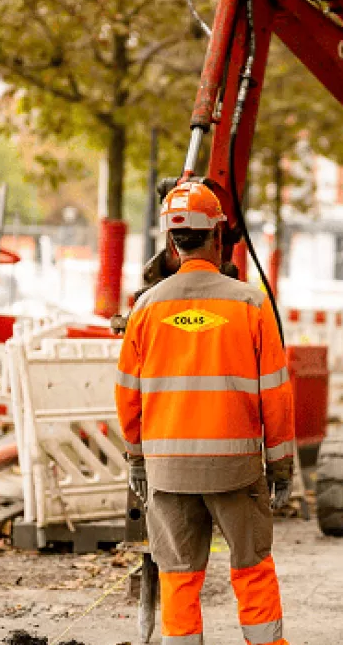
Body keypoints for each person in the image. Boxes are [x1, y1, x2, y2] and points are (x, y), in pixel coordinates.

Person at [115, 180, 295, 645]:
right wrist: (280, 466)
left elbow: (128, 394)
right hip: (236, 471)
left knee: (178, 577)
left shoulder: (146, 308)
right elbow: (275, 394)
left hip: (168, 473)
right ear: (218, 236)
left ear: (172, 242)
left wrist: (137, 459)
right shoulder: (249, 303)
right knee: (252, 570)